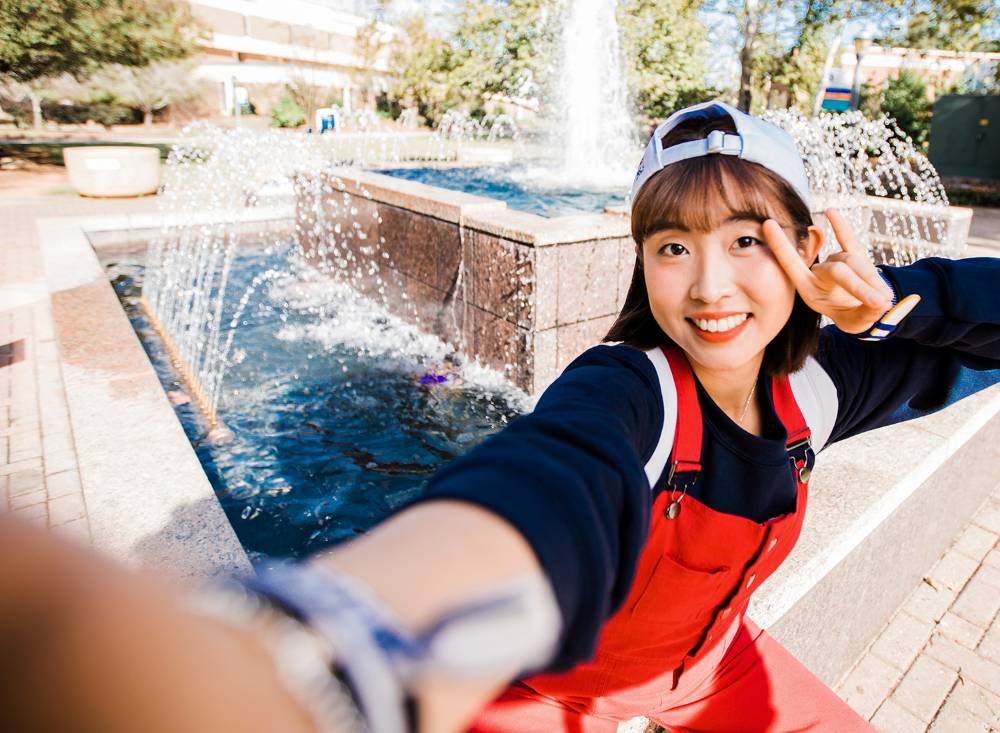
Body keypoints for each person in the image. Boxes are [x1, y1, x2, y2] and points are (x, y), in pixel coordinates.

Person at [3, 100, 1000, 733]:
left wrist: (900, 301)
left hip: (712, 670)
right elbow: (548, 477)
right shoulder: (632, 387)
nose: (708, 289)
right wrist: (330, 647)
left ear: (805, 246)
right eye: (670, 246)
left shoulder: (825, 383)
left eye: (748, 240)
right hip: (551, 688)